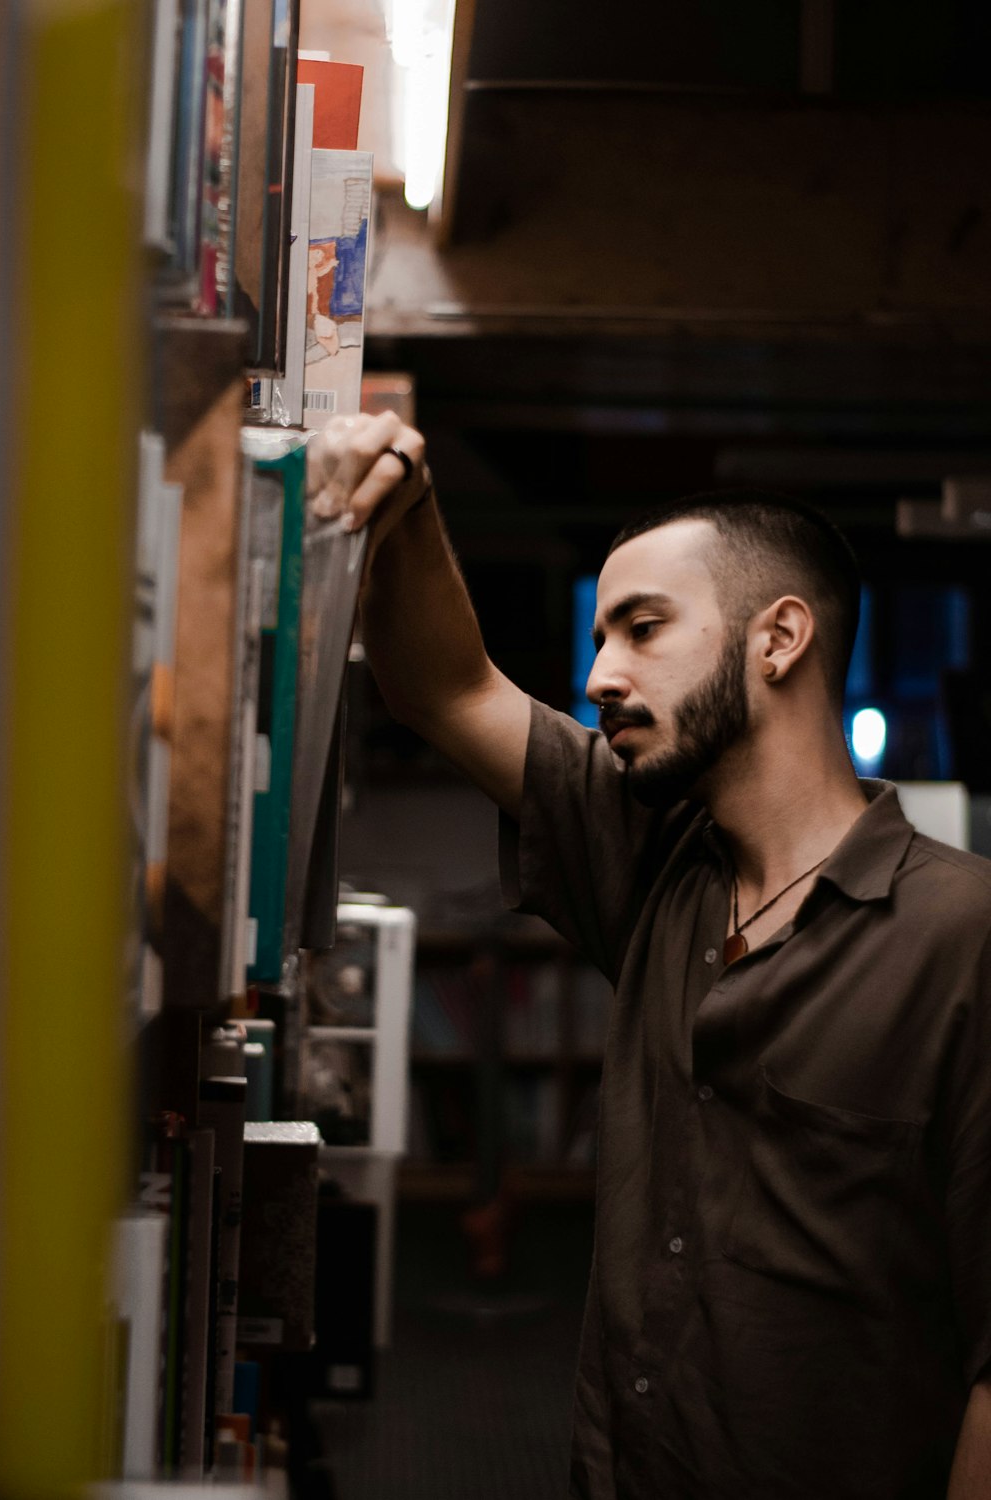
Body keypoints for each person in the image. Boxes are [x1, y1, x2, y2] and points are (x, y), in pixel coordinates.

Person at [306, 410, 991, 1500]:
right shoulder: (655, 862)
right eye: (596, 637)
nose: (597, 677)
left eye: (640, 629)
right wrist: (407, 496)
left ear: (778, 638)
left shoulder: (962, 937)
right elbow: (449, 690)